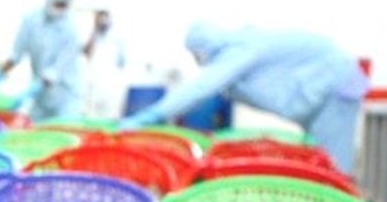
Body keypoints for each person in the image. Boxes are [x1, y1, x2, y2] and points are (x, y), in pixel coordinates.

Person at [118, 22, 369, 172]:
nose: (196, 60)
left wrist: (151, 115)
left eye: (195, 54)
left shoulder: (240, 50)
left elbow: (200, 88)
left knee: (334, 169)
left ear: (203, 48)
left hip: (336, 87)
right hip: (324, 94)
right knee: (322, 162)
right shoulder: (241, 47)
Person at [0, 0, 83, 121]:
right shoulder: (31, 20)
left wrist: (27, 93)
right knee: (35, 129)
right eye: (57, 4)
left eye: (64, 5)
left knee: (65, 129)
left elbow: (56, 70)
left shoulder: (71, 30)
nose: (59, 9)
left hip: (65, 96)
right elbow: (15, 55)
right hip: (41, 97)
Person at [82, 4, 127, 119]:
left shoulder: (118, 37)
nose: (102, 20)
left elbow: (122, 62)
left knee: (111, 114)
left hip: (111, 85)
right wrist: (94, 31)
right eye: (99, 17)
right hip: (93, 83)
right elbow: (86, 53)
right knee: (91, 114)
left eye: (105, 17)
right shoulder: (92, 35)